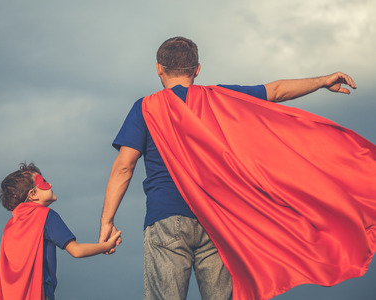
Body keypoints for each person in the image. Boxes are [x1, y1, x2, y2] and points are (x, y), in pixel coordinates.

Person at [98, 36, 366, 300]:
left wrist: (107, 221)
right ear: (197, 69)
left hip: (166, 218)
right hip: (218, 219)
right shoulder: (219, 97)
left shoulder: (145, 108)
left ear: (158, 68)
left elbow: (125, 166)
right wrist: (322, 81)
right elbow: (276, 91)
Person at [0, 162, 121, 300]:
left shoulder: (10, 226)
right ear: (33, 194)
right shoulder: (46, 216)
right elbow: (76, 251)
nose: (50, 184)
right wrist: (106, 246)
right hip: (40, 293)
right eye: (43, 181)